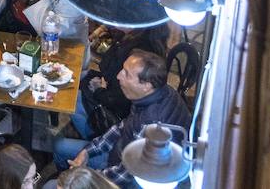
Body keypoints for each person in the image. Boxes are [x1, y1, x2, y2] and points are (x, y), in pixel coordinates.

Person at [51, 50, 192, 185]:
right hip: (121, 151)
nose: (119, 76)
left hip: (120, 169)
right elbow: (123, 126)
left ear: (146, 86)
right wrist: (88, 151)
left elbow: (125, 174)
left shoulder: (152, 123)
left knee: (52, 178)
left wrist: (86, 179)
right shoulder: (160, 92)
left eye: (127, 74)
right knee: (59, 146)